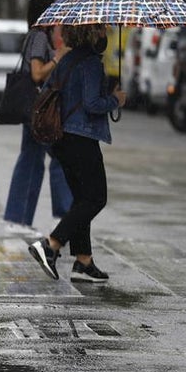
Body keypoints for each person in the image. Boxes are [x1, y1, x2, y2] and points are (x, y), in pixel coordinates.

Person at [28, 23, 127, 284]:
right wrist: (116, 99)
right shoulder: (91, 63)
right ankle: (51, 244)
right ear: (92, 34)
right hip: (81, 138)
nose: (106, 35)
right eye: (103, 30)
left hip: (61, 138)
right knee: (96, 198)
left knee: (82, 199)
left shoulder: (67, 58)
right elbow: (92, 104)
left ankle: (83, 262)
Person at [1, 0, 72, 237]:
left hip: (35, 109)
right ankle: (59, 217)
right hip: (38, 109)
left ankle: (19, 219)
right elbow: (37, 74)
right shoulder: (40, 36)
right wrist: (59, 58)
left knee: (32, 161)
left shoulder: (38, 35)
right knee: (56, 159)